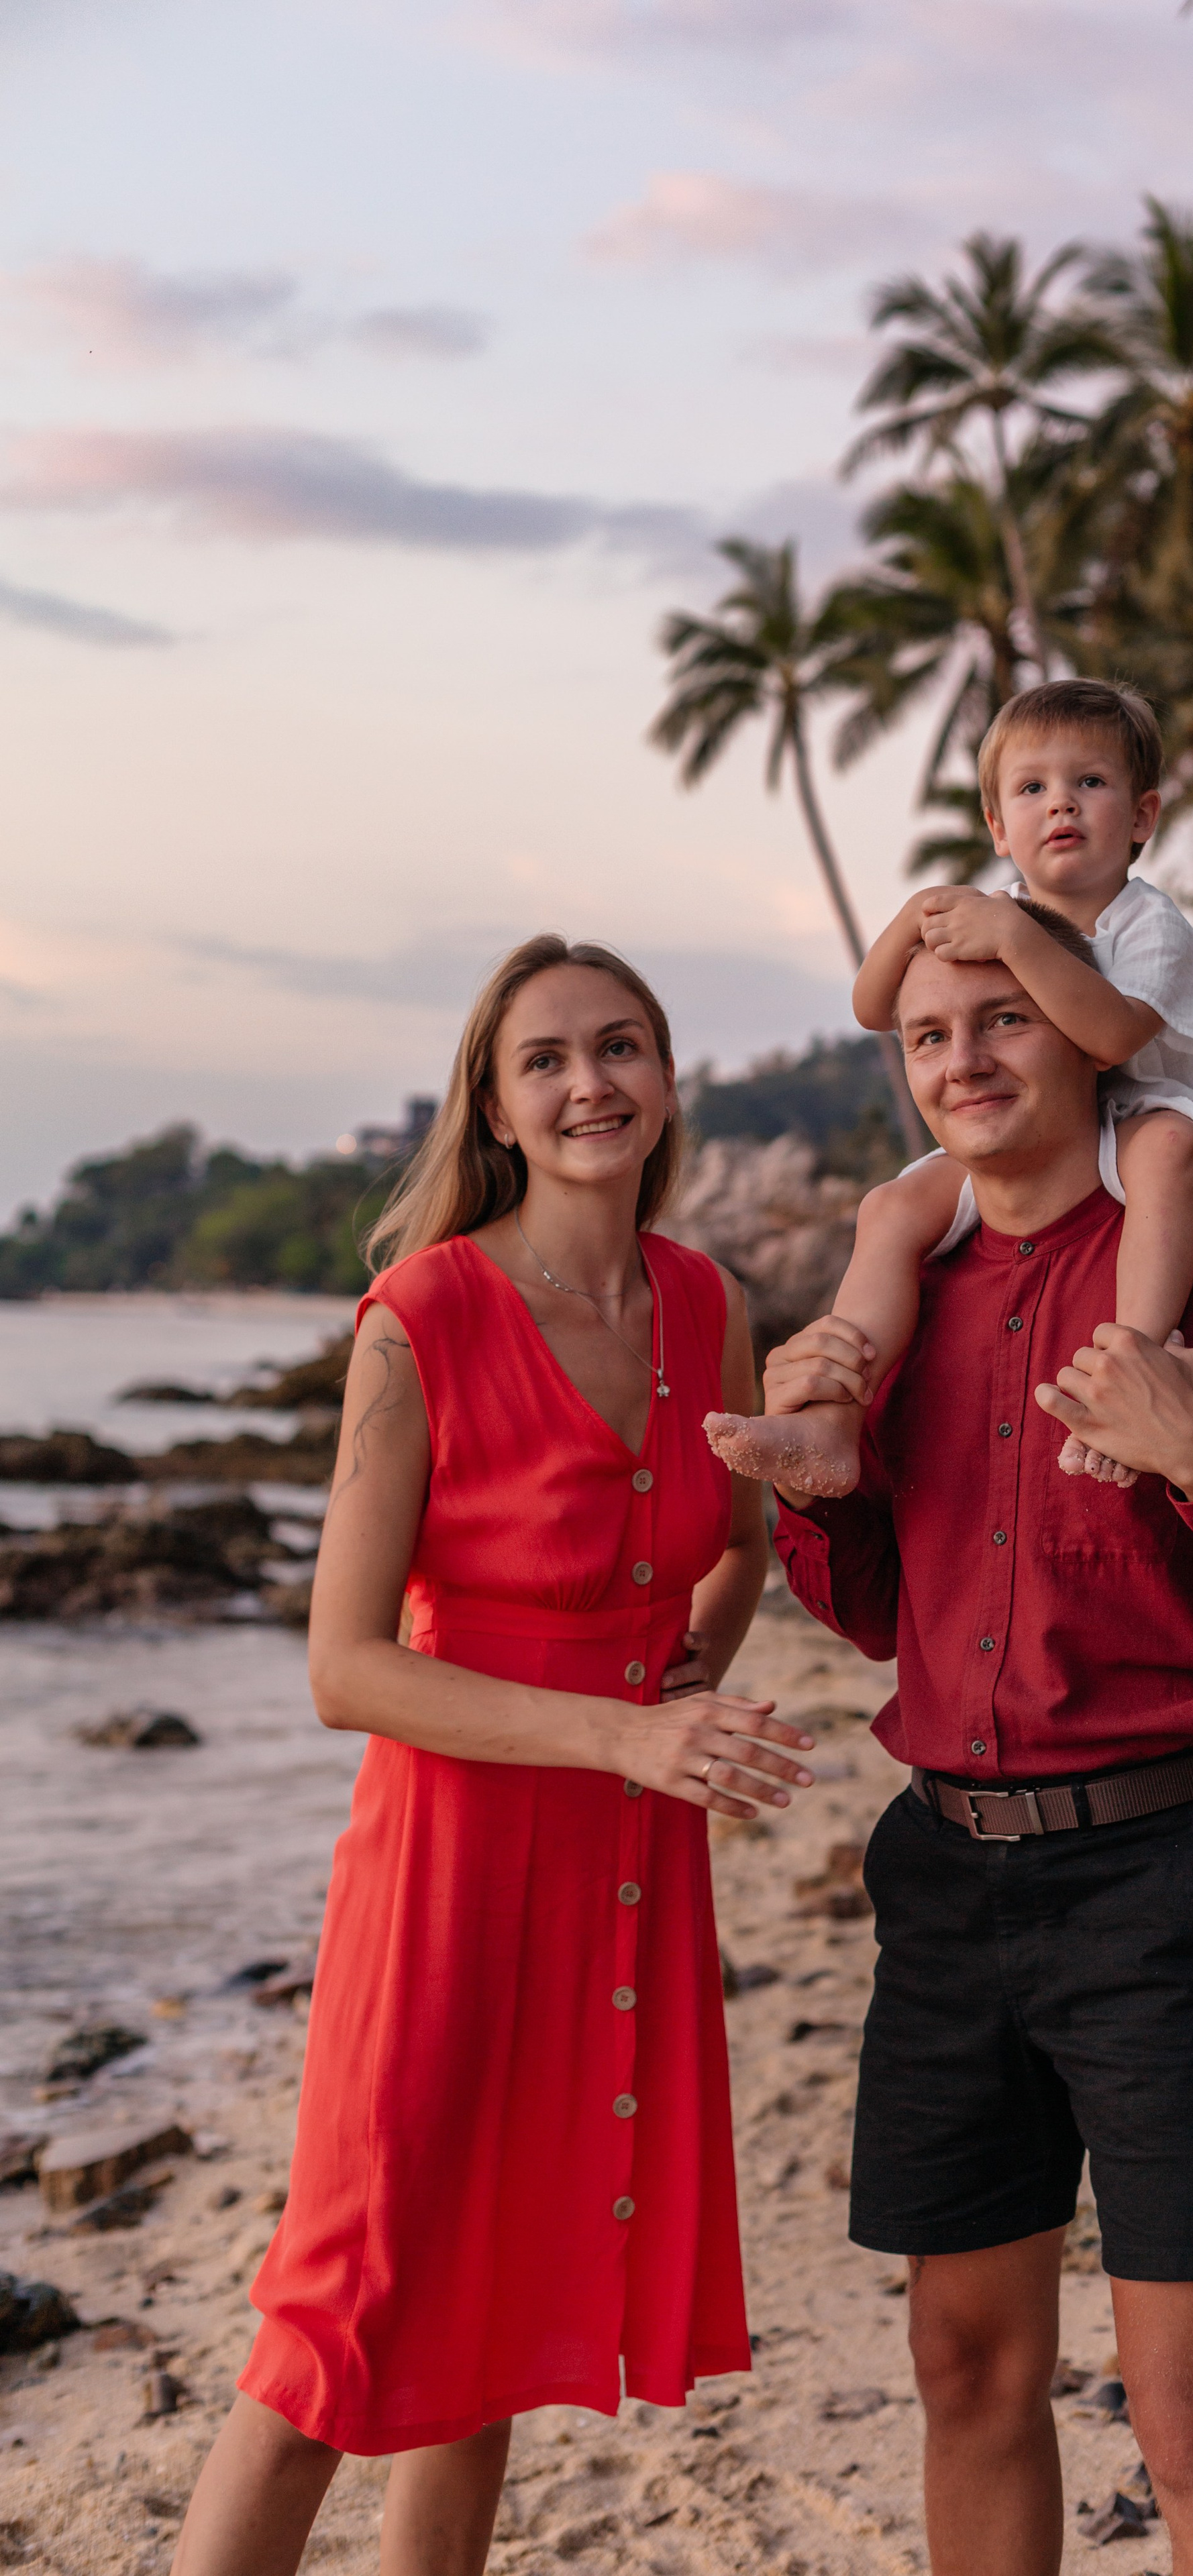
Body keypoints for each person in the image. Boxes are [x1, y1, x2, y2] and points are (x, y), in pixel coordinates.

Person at [172, 936, 817, 2576]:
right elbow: (344, 1664)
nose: (589, 1080)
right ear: (499, 1103)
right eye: (548, 1058)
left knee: (504, 2309)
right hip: (448, 1865)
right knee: (348, 2306)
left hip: (617, 1856)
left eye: (621, 1046)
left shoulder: (705, 1303)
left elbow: (736, 1537)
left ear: (668, 1083)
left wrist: (694, 1681)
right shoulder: (422, 1315)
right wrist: (631, 1730)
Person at [761, 924, 1193, 2576]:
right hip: (942, 1882)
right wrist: (813, 1487)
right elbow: (882, 1608)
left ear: (1090, 1033)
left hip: (1161, 1882)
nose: (963, 1059)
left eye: (1004, 1019)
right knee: (962, 2371)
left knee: (1192, 2417)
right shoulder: (898, 1301)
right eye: (926, 1037)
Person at [706, 678, 1193, 1501]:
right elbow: (870, 1007)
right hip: (1039, 1131)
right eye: (1032, 789)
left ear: (1141, 818)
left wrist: (1008, 937)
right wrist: (924, 909)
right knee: (889, 1208)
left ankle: (1131, 1367)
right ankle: (829, 1420)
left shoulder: (1150, 925)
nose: (1060, 805)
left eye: (1089, 783)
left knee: (1170, 1155)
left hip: (1146, 1113)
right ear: (998, 827)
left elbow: (1108, 1038)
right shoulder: (998, 917)